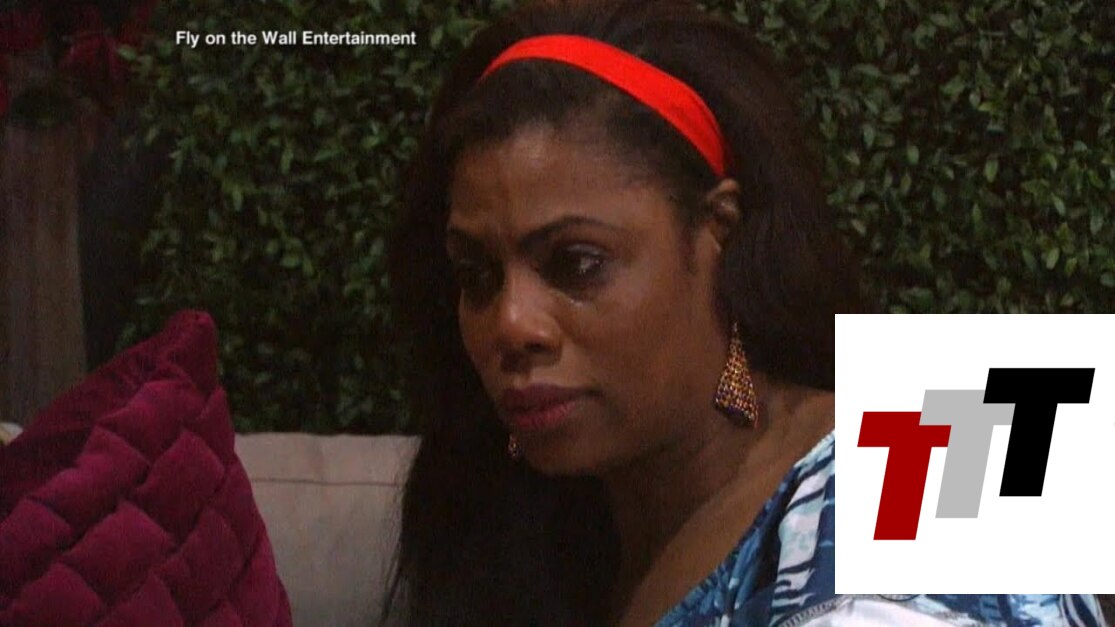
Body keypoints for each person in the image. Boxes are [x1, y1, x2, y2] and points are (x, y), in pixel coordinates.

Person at [383, 0, 1107, 624]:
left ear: (717, 233)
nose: (510, 323)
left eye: (577, 263)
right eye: (476, 275)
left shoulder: (965, 430)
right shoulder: (539, 525)